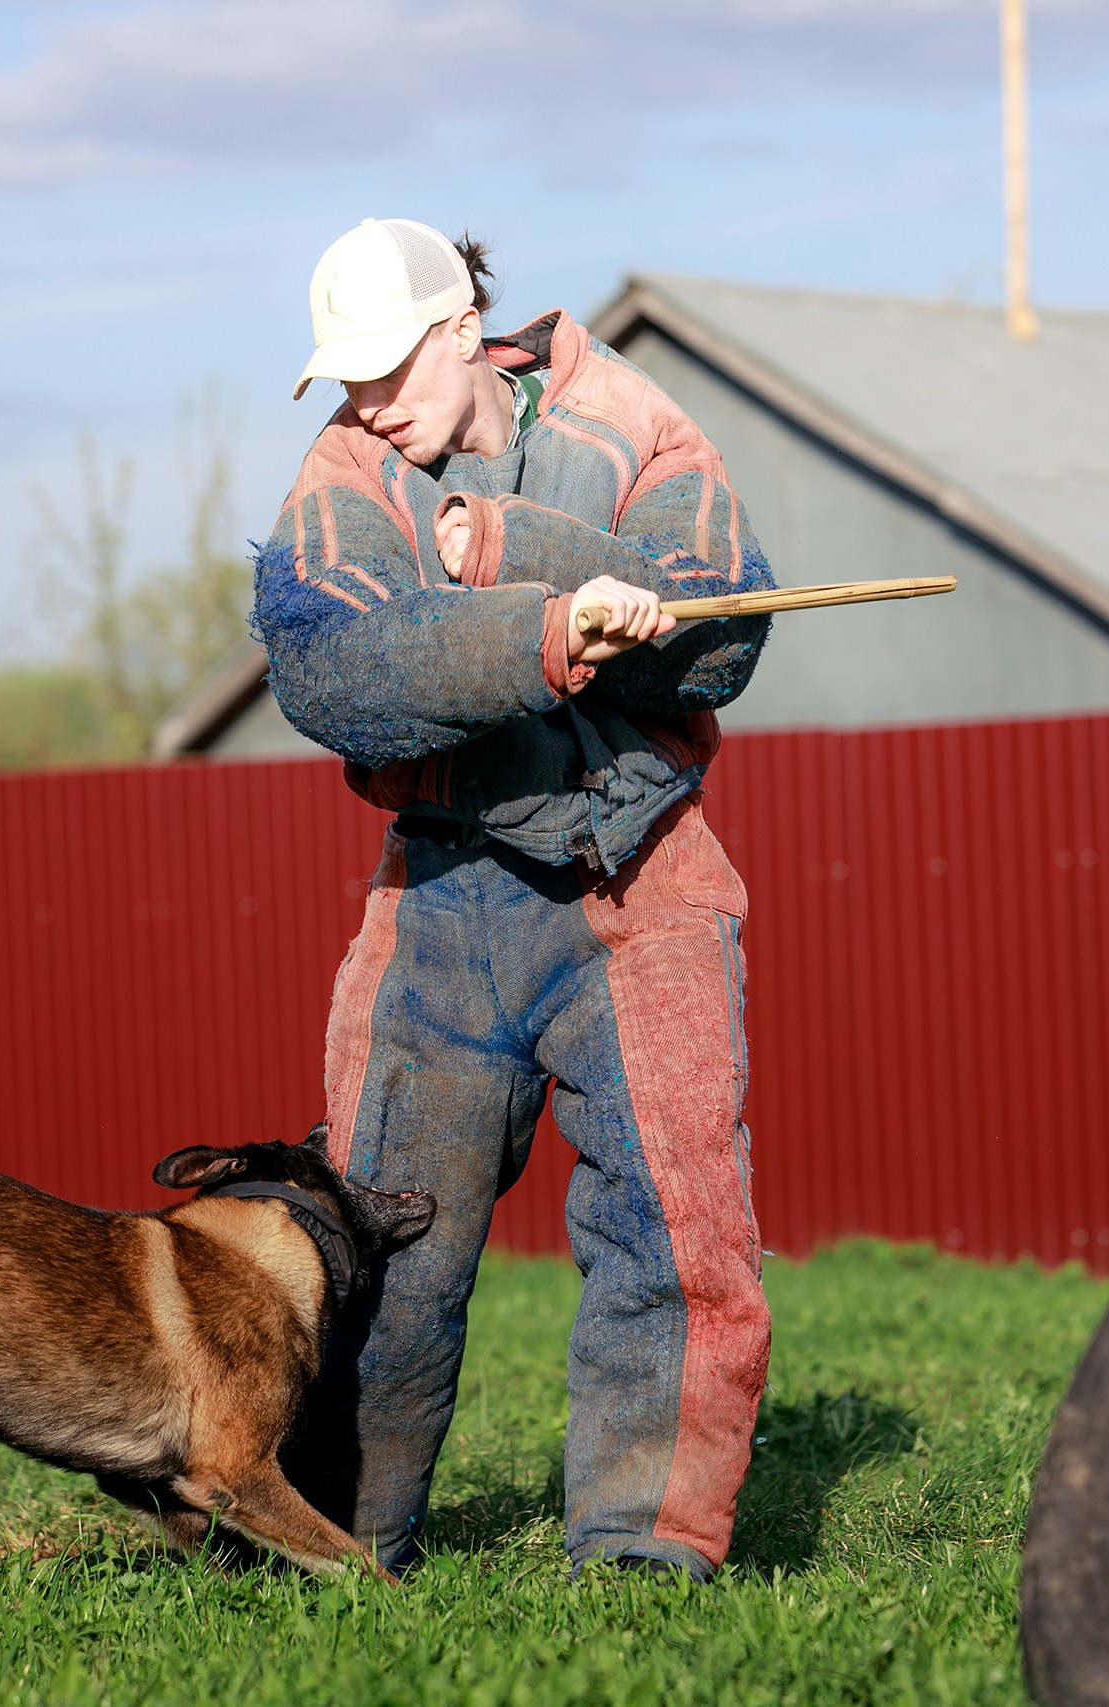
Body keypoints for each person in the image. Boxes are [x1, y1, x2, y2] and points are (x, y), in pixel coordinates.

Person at [253, 217, 775, 1581]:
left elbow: (722, 631)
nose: (367, 404)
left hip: (642, 883)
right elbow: (334, 666)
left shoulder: (641, 429)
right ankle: (332, 1549)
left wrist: (592, 587)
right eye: (345, 380)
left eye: (384, 369)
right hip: (441, 894)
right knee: (373, 1252)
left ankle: (645, 1561)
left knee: (673, 1237)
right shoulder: (348, 474)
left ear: (454, 332)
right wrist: (547, 616)